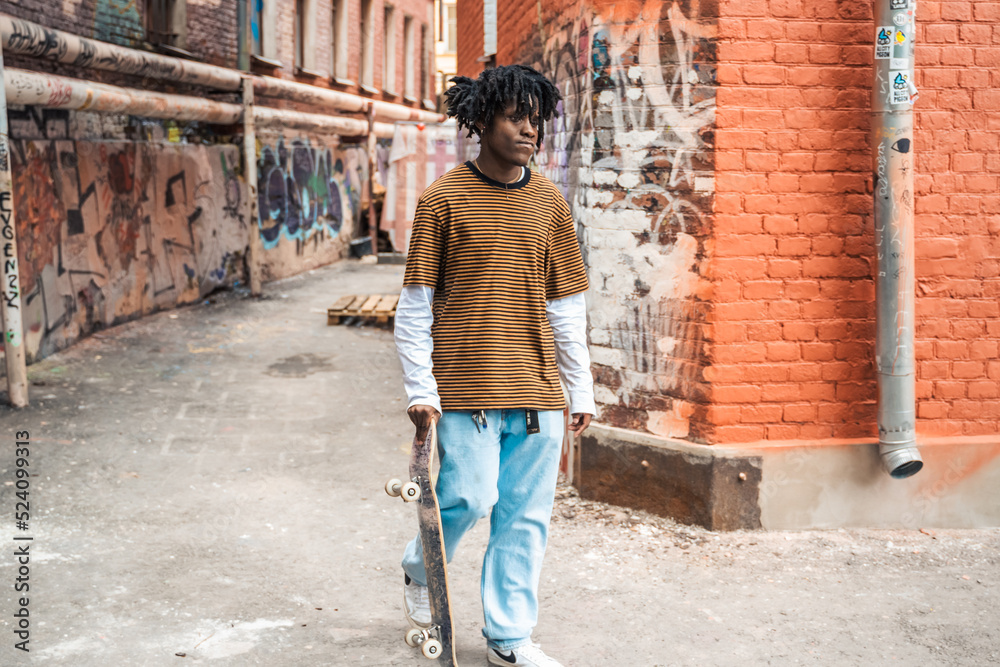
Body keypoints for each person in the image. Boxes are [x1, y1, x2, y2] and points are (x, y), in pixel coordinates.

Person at [394, 64, 594, 667]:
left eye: (537, 119)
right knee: (471, 499)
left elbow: (566, 308)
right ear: (481, 120)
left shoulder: (549, 205)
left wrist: (579, 389)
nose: (530, 130)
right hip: (464, 392)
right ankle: (420, 563)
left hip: (536, 394)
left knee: (525, 517)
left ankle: (509, 639)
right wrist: (418, 389)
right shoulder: (443, 200)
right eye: (516, 117)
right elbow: (414, 309)